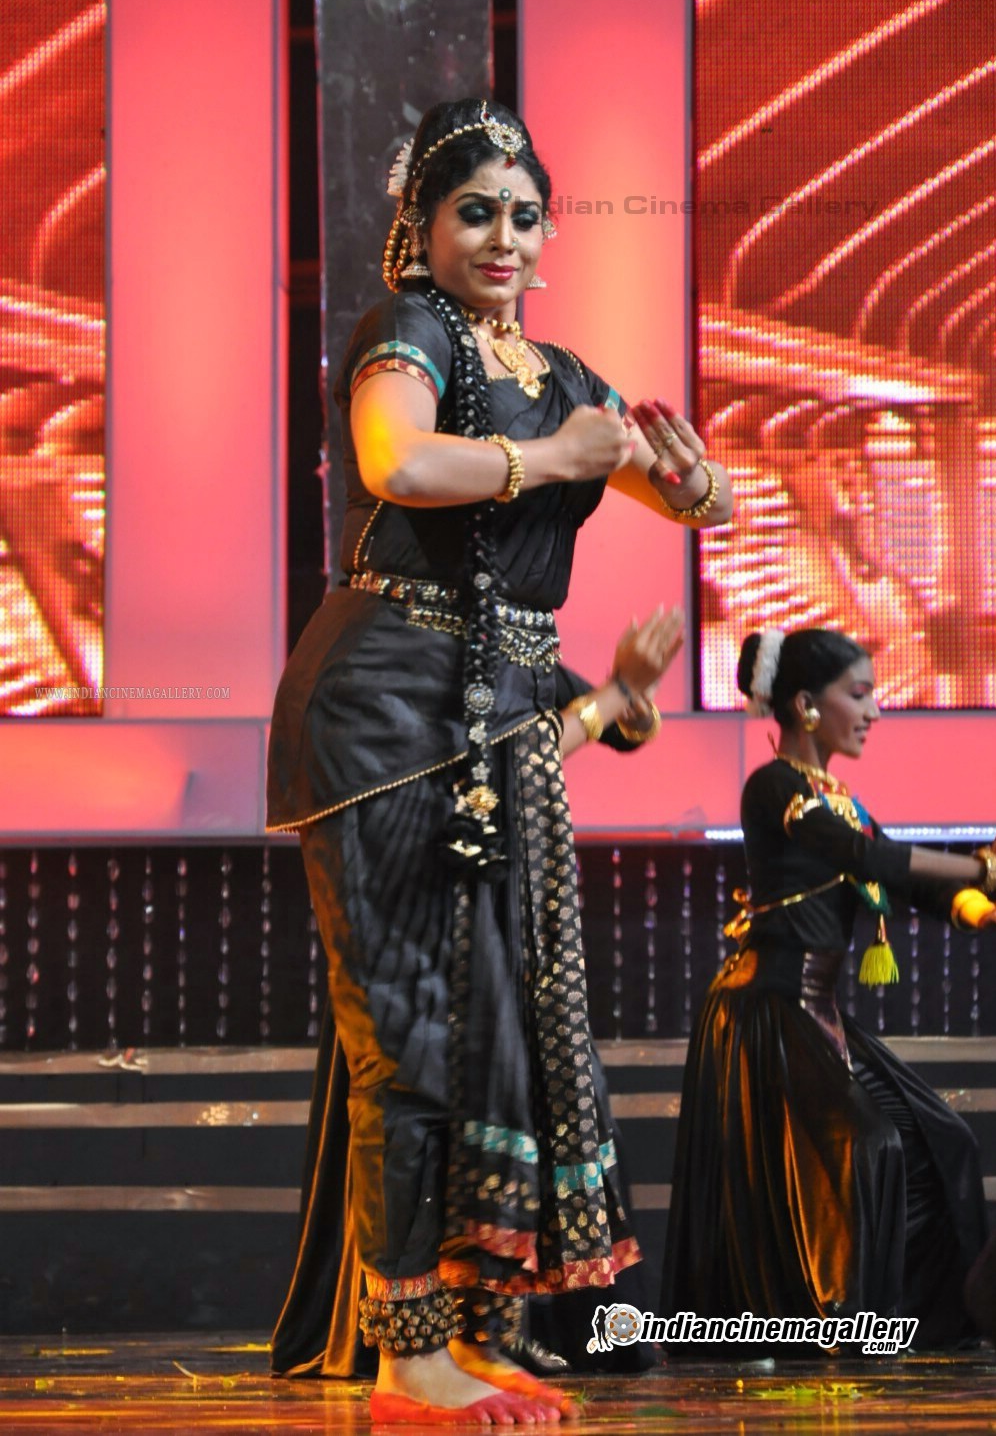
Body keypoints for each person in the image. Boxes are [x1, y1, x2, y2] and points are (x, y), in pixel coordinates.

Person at [266, 95, 732, 1424]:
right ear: (423, 225)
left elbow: (690, 494)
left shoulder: (562, 372)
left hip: (493, 722)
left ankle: (475, 1334)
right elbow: (396, 460)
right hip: (382, 713)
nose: (504, 238)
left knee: (495, 1043)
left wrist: (692, 483)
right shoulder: (406, 332)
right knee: (411, 1032)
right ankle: (404, 1354)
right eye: (475, 212)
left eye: (525, 216)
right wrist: (550, 459)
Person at [660, 627, 996, 1356]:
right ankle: (833, 1323)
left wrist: (979, 905)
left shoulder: (840, 797)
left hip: (814, 1012)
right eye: (860, 693)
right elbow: (863, 856)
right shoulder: (774, 786)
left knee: (943, 1139)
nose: (874, 710)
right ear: (807, 705)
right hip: (764, 1009)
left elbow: (898, 875)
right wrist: (982, 869)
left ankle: (927, 1322)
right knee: (866, 1145)